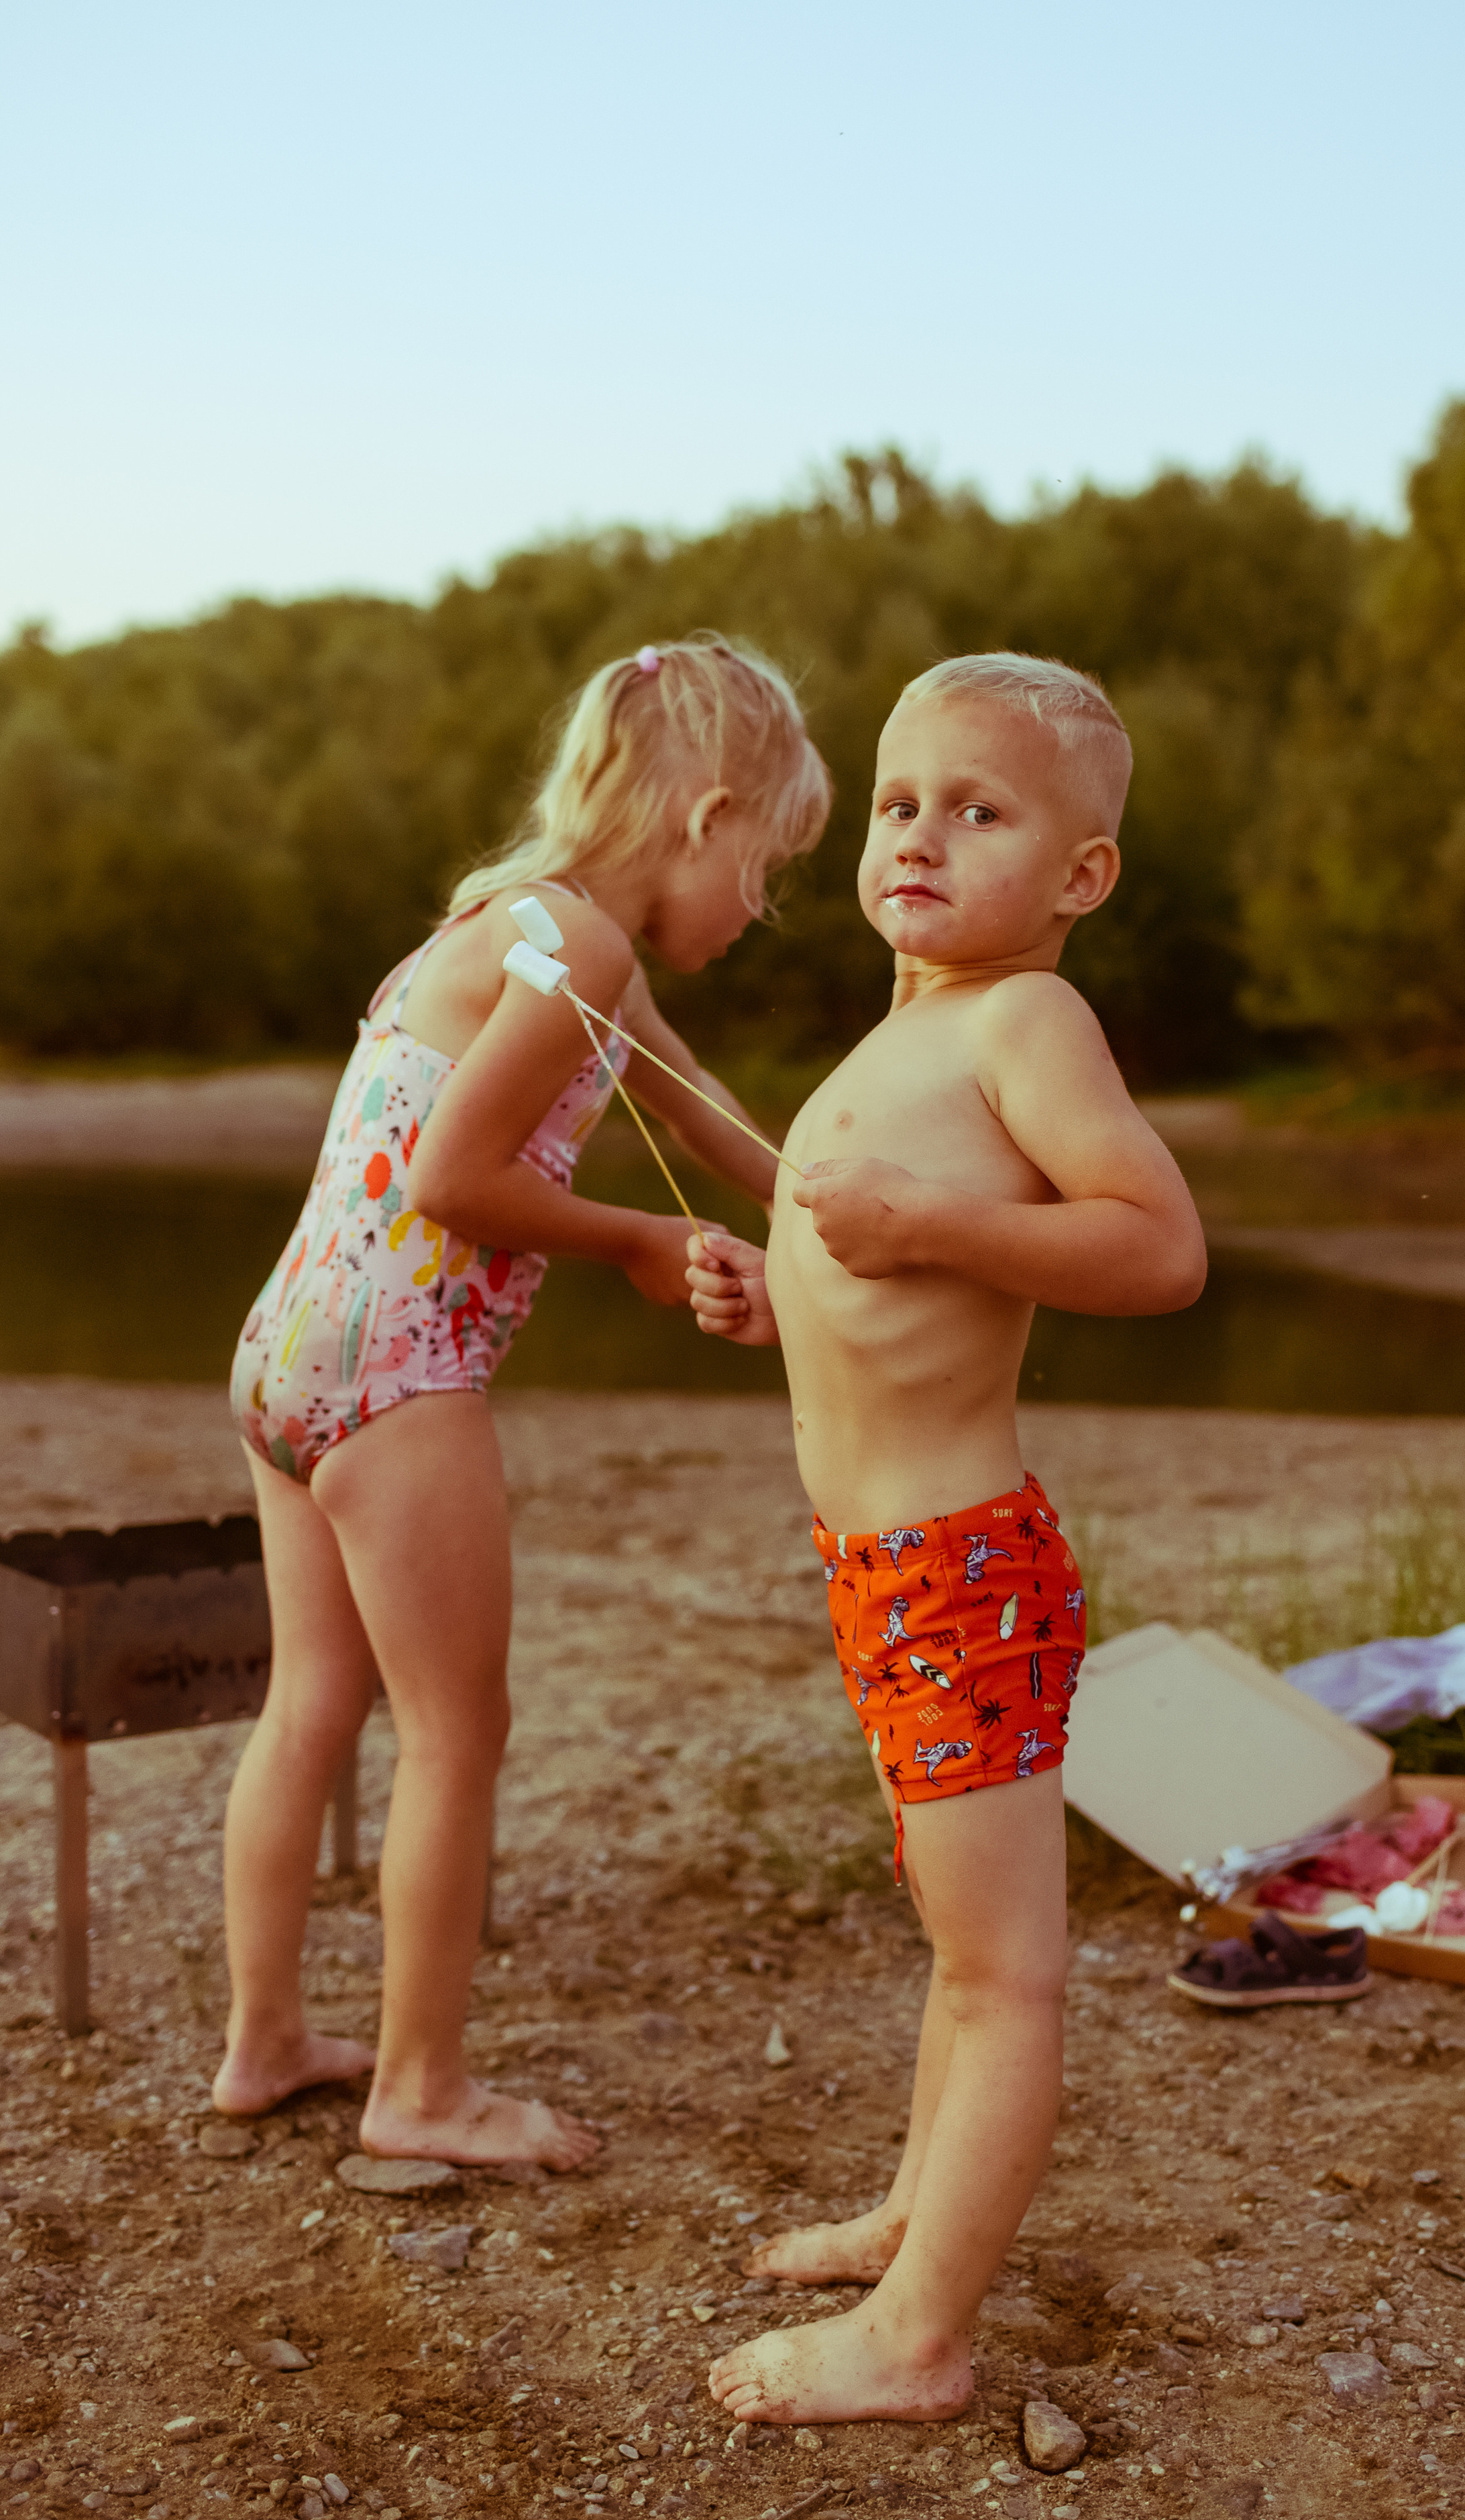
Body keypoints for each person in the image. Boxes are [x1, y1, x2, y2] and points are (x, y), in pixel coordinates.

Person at [217, 636, 829, 2171]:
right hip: (399, 1372)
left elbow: (688, 1104)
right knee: (456, 1732)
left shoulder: (513, 927)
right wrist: (639, 1242)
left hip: (288, 1355)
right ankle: (421, 2094)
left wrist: (818, 1209)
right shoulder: (585, 950)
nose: (763, 907)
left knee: (313, 1706)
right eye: (769, 864)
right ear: (702, 819)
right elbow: (452, 1181)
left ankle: (266, 2040)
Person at [687, 651, 1206, 2419]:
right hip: (886, 1572)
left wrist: (914, 1219)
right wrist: (786, 1285)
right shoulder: (907, 1033)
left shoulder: (1023, 1022)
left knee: (1005, 1974)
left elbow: (1158, 1248)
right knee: (955, 1939)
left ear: (1079, 875)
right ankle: (919, 2211)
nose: (918, 835)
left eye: (977, 811)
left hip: (956, 1569)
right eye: (902, 801)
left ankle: (921, 2341)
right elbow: (893, 1278)